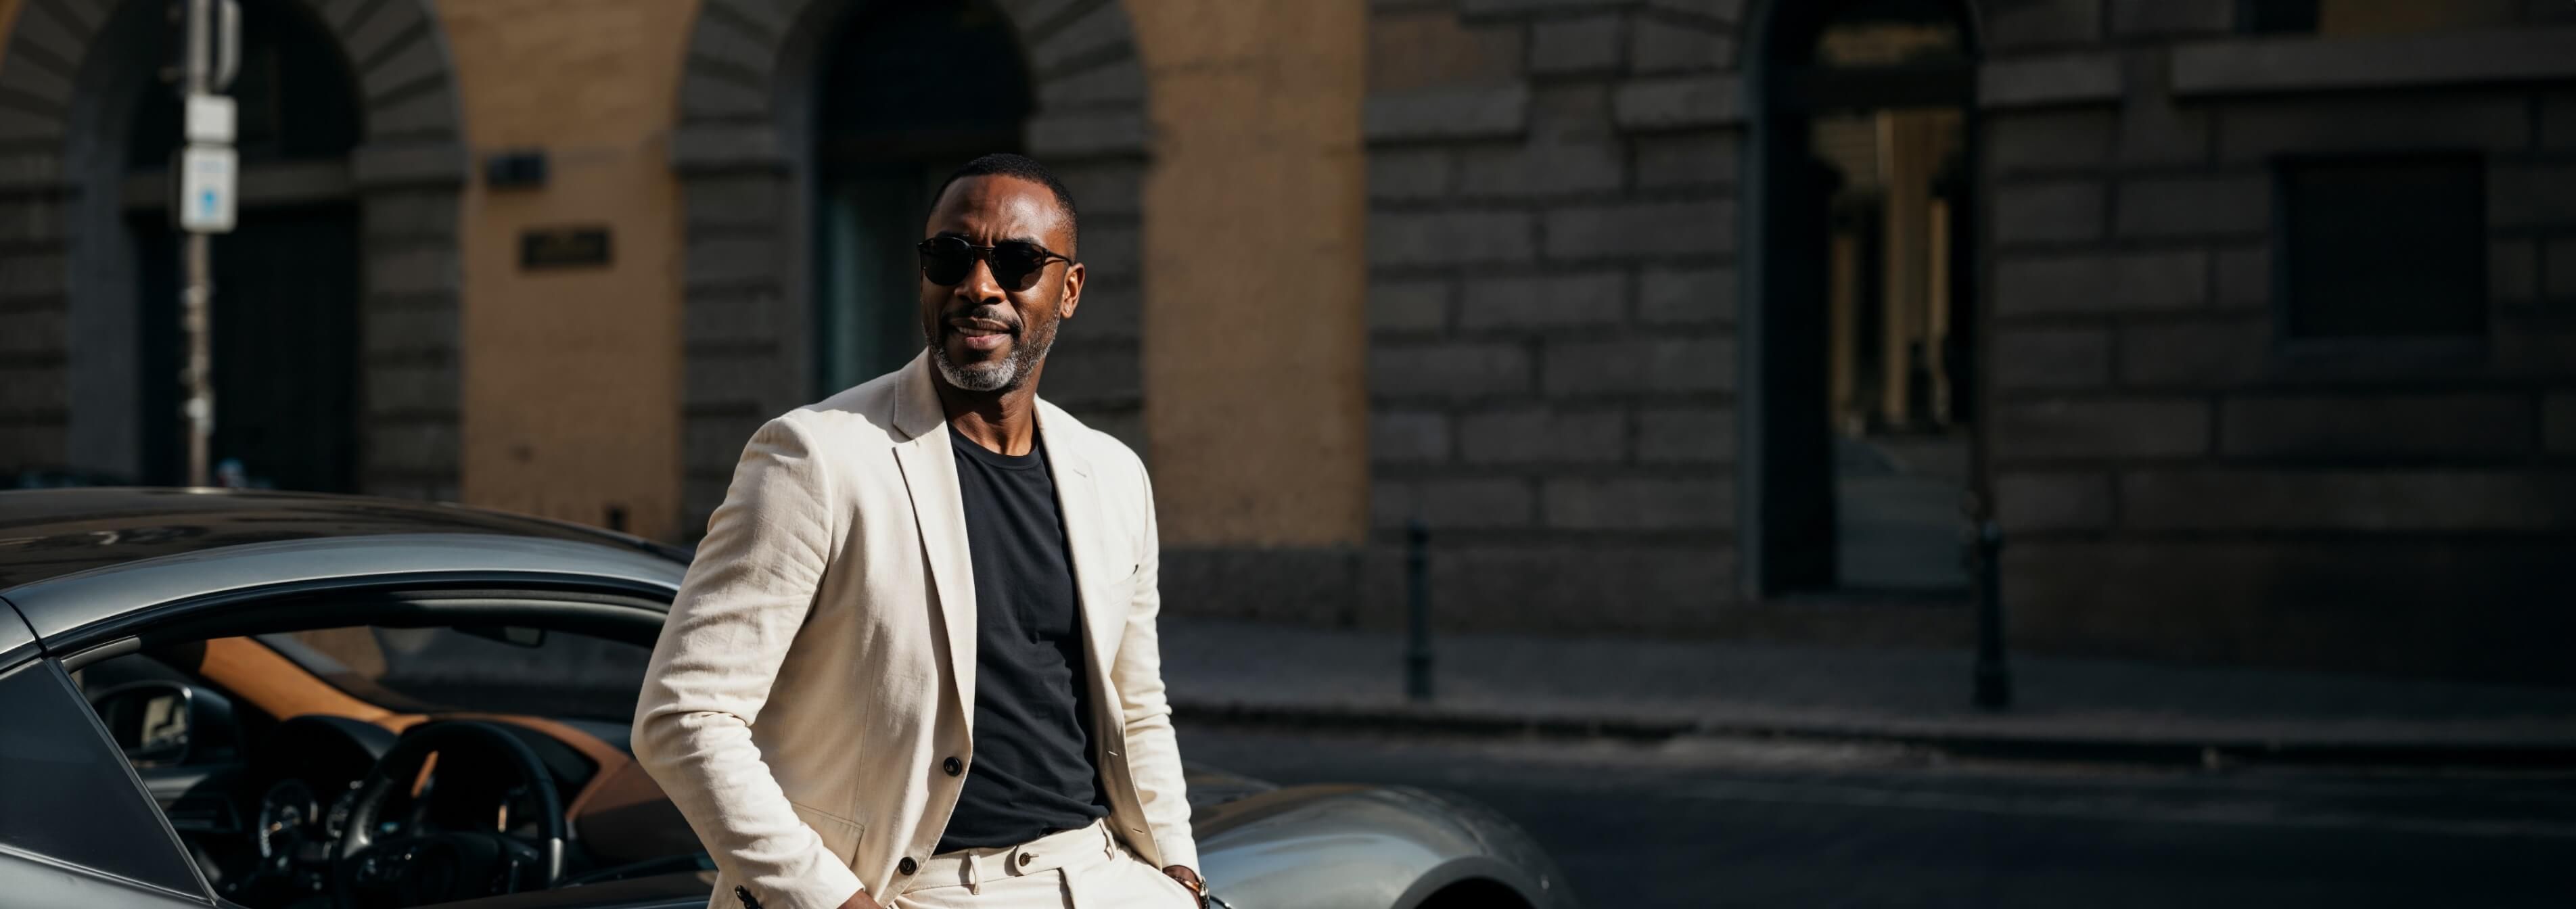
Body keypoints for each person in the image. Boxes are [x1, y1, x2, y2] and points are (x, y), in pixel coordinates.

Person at [634, 153, 1203, 909]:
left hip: (1100, 875)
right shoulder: (815, 457)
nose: (979, 285)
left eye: (1017, 261)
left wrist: (1178, 873)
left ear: (1068, 291)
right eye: (951, 257)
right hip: (915, 889)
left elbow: (1135, 704)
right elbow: (685, 714)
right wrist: (830, 901)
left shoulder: (1114, 475)